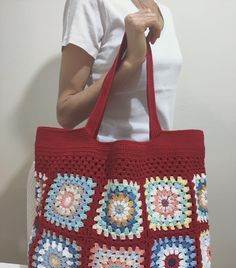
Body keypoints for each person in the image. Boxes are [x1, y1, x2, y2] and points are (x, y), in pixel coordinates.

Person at [26, 0, 183, 239]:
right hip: (98, 180)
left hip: (157, 183)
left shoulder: (165, 13)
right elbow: (66, 112)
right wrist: (130, 64)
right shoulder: (90, 3)